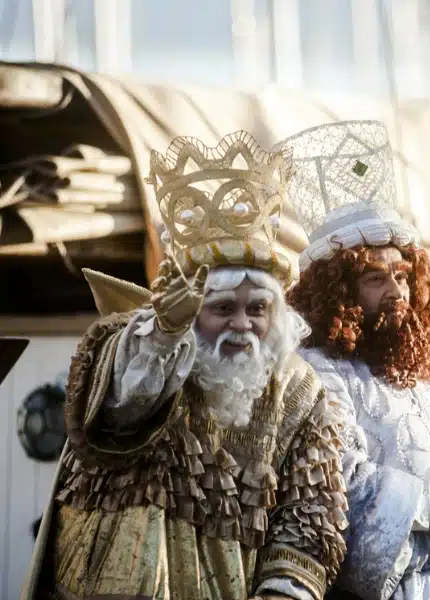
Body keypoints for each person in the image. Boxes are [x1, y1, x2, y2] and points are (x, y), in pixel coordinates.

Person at [22, 131, 348, 600]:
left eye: (257, 309)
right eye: (222, 309)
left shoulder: (300, 389)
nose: (242, 326)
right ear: (191, 307)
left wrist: (283, 591)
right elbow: (119, 412)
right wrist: (165, 333)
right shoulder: (140, 342)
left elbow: (311, 509)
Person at [280, 120, 430, 600]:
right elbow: (337, 473)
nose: (397, 292)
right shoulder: (314, 369)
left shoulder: (406, 373)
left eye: (403, 277)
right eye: (375, 279)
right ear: (338, 291)